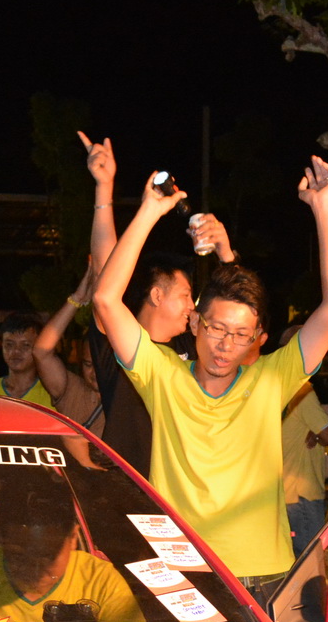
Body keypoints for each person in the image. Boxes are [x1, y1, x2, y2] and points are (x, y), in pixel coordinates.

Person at [91, 156, 328, 593]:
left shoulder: (272, 378)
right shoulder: (162, 373)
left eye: (241, 334)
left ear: (256, 337)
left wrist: (324, 207)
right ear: (195, 322)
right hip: (185, 572)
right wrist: (149, 211)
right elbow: (105, 299)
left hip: (265, 573)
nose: (226, 344)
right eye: (215, 328)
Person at [78, 133, 223, 476]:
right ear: (157, 295)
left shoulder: (190, 345)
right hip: (131, 488)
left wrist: (225, 250)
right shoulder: (120, 342)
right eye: (185, 295)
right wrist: (104, 188)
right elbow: (104, 269)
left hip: (184, 487)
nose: (191, 305)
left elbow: (237, 315)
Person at [0, 487, 143, 622]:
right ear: (1, 542)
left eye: (47, 556)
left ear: (73, 538)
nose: (34, 567)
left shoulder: (98, 578)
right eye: (18, 555)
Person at [32, 261, 105, 435]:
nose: (94, 372)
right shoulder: (72, 390)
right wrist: (77, 299)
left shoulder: (127, 392)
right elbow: (41, 352)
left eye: (100, 364)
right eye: (88, 364)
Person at [282, 381, 328, 555]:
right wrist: (319, 434)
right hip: (303, 492)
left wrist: (316, 431)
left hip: (286, 490)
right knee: (309, 559)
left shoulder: (282, 394)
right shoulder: (302, 394)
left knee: (295, 556)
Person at [0, 313, 53, 406]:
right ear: (2, 346)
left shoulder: (52, 394)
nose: (16, 351)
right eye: (9, 345)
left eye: (25, 345)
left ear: (38, 348)